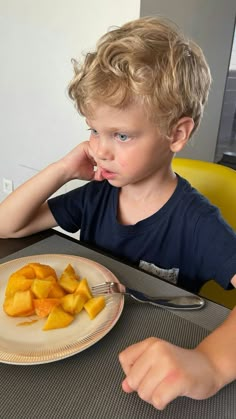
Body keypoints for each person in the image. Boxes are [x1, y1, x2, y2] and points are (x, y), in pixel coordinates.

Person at [1, 16, 236, 410]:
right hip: (79, 357)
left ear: (176, 134)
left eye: (121, 135)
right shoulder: (96, 196)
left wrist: (211, 362)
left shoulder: (196, 223)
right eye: (94, 130)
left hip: (153, 359)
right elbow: (8, 226)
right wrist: (62, 169)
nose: (100, 150)